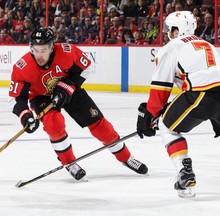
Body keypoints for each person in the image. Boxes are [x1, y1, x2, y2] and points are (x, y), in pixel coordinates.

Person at [9, 26, 148, 181]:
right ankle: (69, 162)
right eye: (36, 50)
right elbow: (16, 98)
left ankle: (126, 158)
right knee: (54, 123)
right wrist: (25, 116)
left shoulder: (67, 52)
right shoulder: (23, 66)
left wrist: (68, 86)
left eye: (43, 50)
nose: (39, 55)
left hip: (69, 90)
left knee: (101, 127)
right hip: (41, 97)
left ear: (51, 47)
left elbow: (86, 67)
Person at [136, 11, 220, 198]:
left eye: (170, 29)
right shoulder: (207, 44)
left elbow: (160, 88)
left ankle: (184, 173)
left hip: (200, 94)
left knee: (167, 126)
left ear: (177, 30)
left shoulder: (172, 47)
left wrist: (151, 114)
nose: (167, 34)